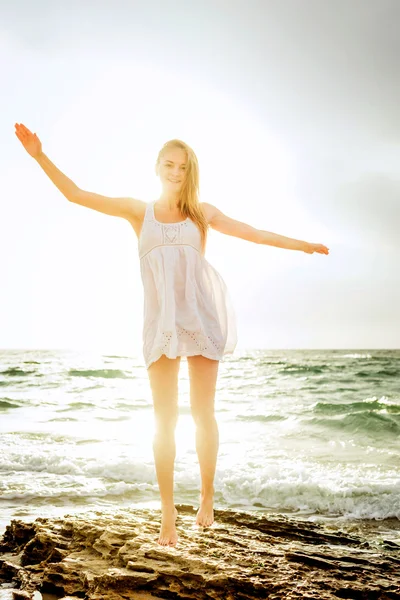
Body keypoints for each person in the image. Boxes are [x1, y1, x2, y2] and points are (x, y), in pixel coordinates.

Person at [14, 122, 329, 547]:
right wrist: (38, 155)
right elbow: (76, 194)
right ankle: (167, 515)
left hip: (200, 319)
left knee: (203, 414)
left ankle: (206, 496)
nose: (176, 171)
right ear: (157, 167)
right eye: (169, 164)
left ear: (190, 170)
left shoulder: (202, 213)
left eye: (183, 166)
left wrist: (303, 244)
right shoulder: (136, 211)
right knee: (163, 421)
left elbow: (254, 234)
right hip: (159, 326)